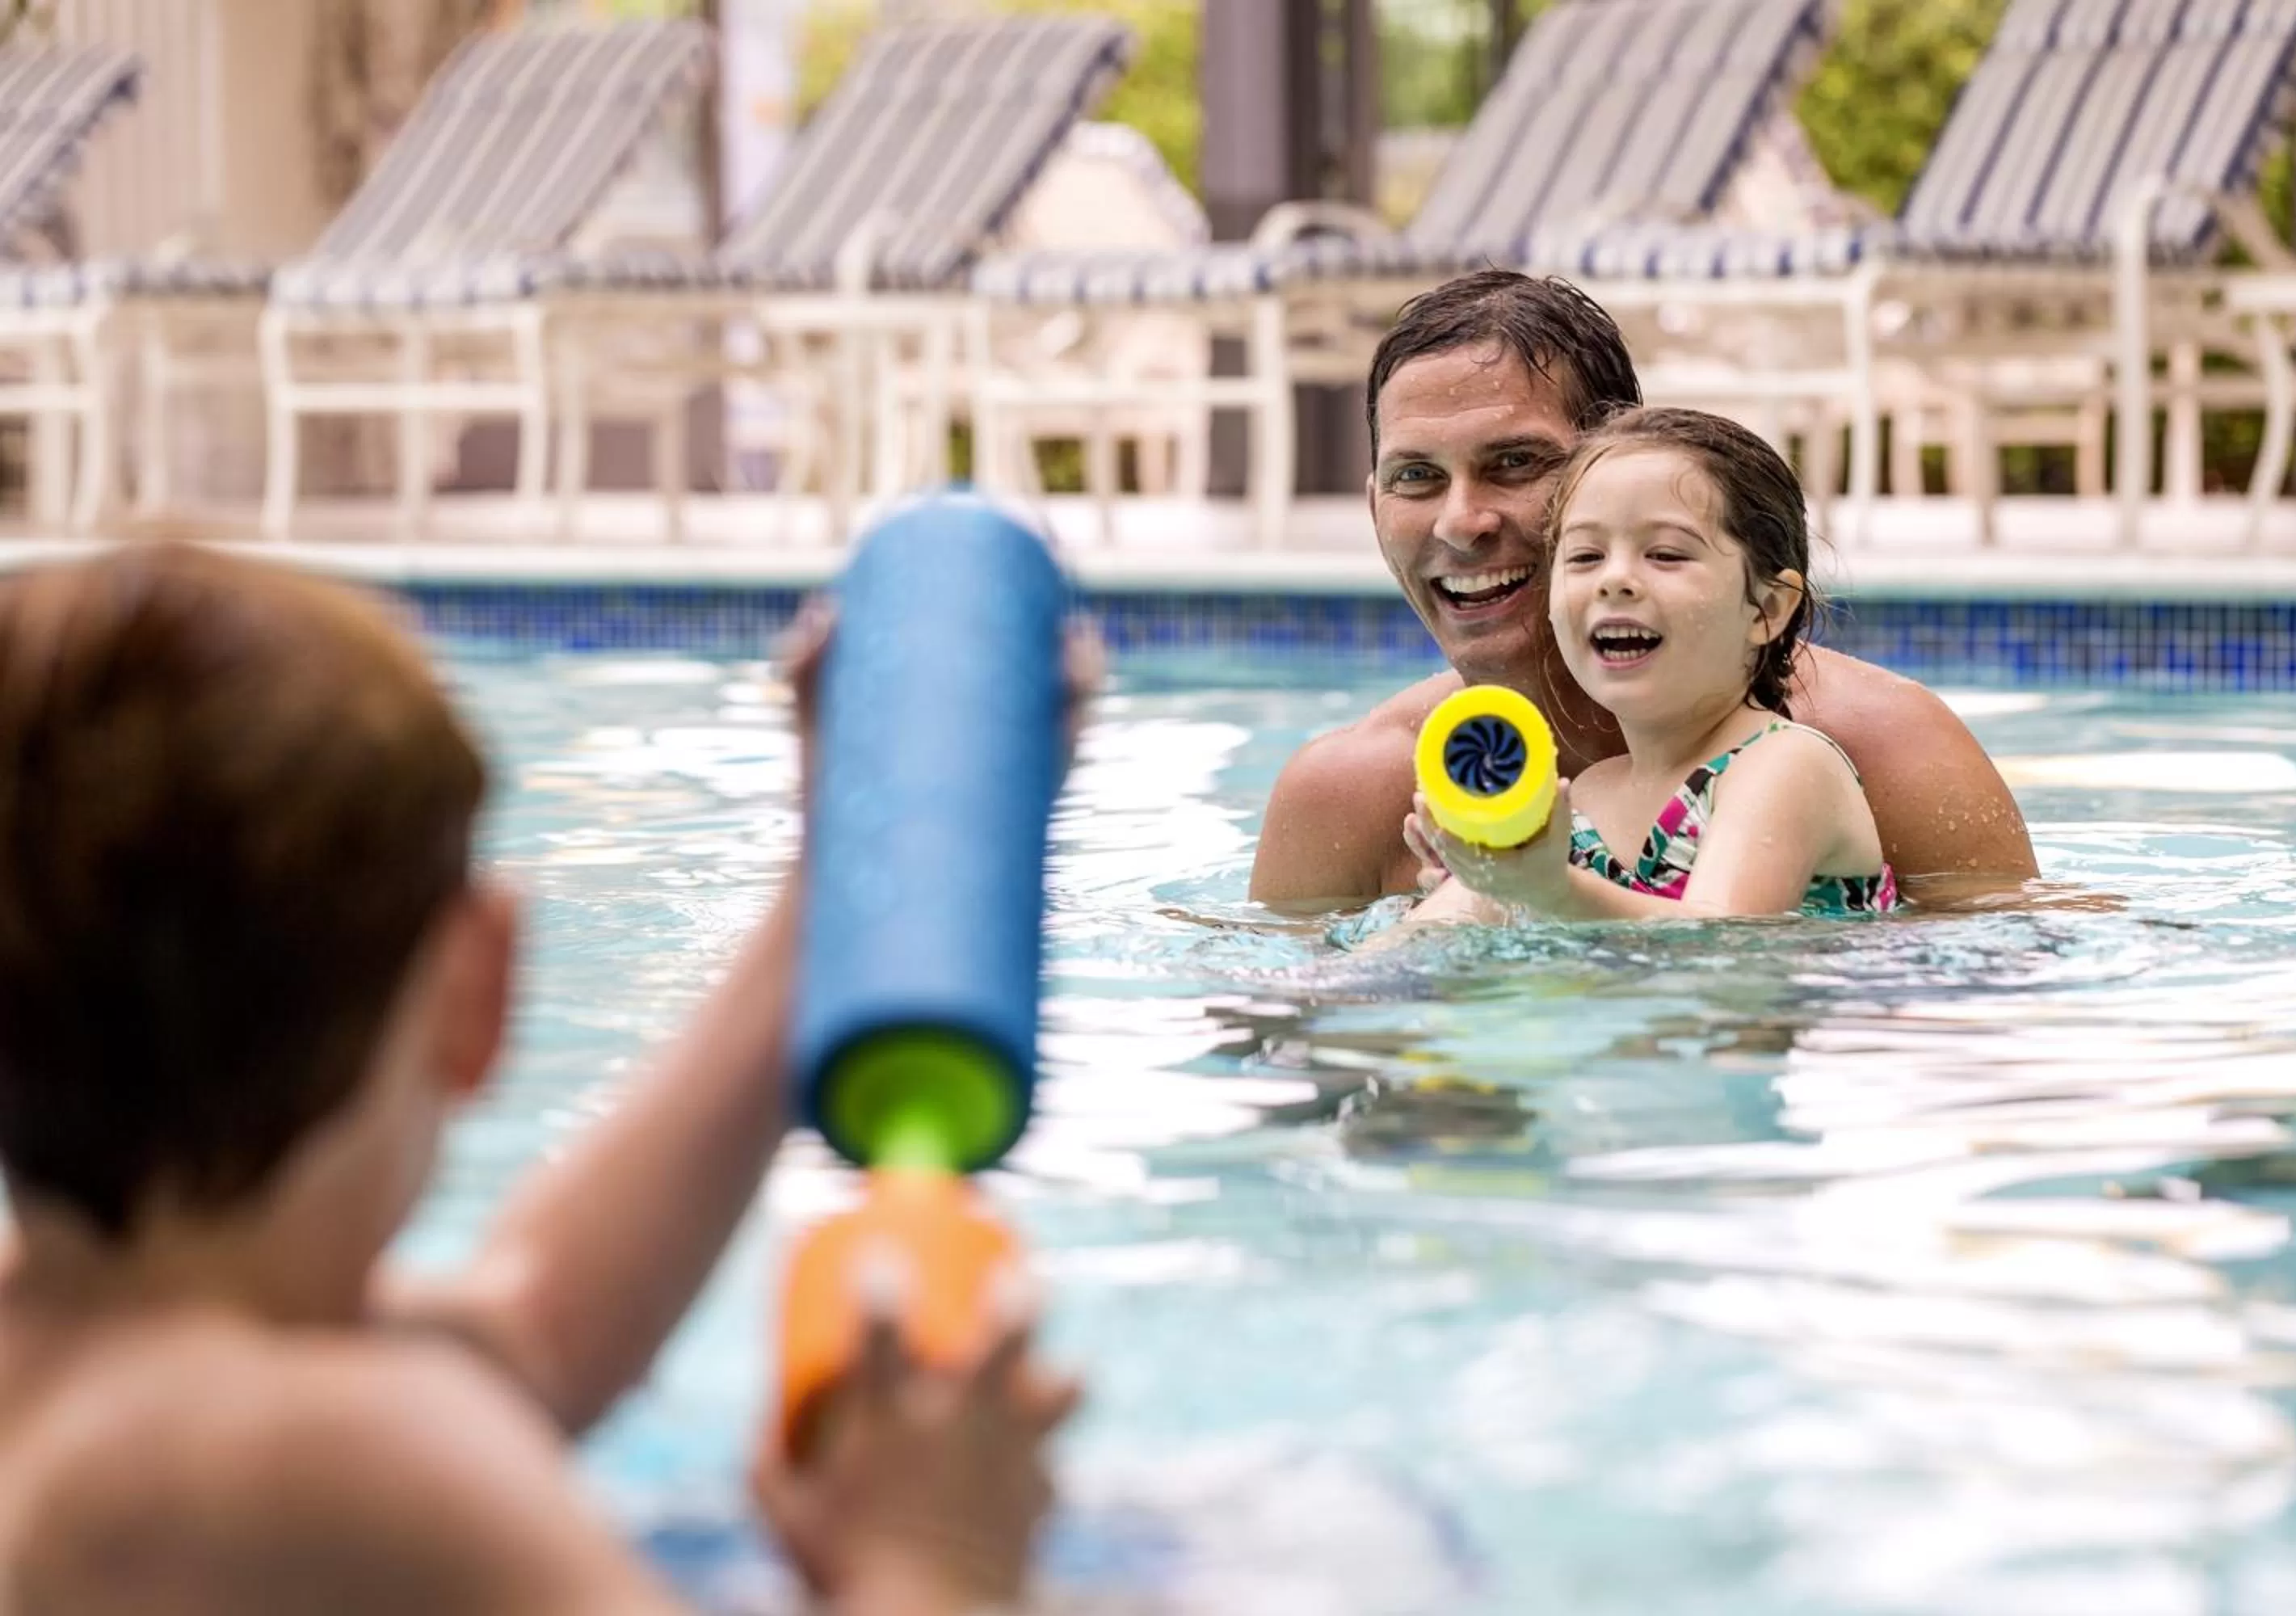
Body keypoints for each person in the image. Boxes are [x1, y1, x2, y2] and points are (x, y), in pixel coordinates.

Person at [0, 542, 1080, 1616]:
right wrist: (934, 1564)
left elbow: (538, 1331)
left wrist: (831, 878)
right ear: (480, 985)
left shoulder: (82, 1361)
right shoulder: (322, 1458)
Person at [1250, 270, 2037, 912]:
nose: (1462, 522)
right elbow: (1289, 1039)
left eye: (1516, 462)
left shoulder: (1874, 743)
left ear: (1621, 466)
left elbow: (2017, 1005)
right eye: (1416, 477)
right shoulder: (1351, 793)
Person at [1404, 406, 1896, 925]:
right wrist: (1484, 886)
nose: (1614, 580)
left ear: (1768, 608)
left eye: (1665, 554)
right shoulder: (1588, 794)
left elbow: (1726, 944)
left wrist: (1549, 891)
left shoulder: (1785, 765)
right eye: (1585, 557)